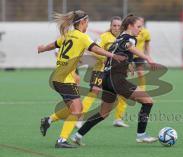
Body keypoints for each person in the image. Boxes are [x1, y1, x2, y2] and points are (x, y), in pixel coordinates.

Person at [37, 10, 125, 148]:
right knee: (77, 111)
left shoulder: (68, 34)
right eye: (87, 22)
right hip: (64, 79)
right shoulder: (83, 37)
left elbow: (53, 45)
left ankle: (48, 120)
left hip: (59, 77)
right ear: (83, 22)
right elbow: (96, 49)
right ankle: (62, 140)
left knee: (75, 109)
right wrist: (113, 56)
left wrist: (42, 48)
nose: (88, 25)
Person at [71, 14, 159, 145]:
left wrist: (127, 64)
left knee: (103, 113)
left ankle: (77, 135)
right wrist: (147, 57)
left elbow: (117, 54)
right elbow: (130, 47)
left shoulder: (120, 37)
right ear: (130, 26)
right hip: (116, 79)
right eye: (138, 27)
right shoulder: (130, 38)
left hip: (106, 79)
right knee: (148, 102)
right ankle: (141, 135)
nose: (140, 30)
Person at [75, 16, 129, 128]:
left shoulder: (124, 38)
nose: (116, 28)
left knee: (123, 93)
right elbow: (93, 51)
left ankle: (118, 119)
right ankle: (79, 119)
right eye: (114, 25)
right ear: (110, 26)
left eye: (119, 26)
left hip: (116, 72)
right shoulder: (104, 37)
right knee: (93, 92)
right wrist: (105, 58)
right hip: (101, 69)